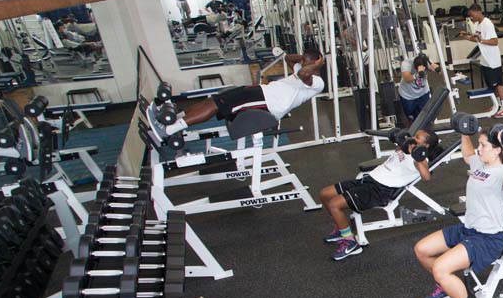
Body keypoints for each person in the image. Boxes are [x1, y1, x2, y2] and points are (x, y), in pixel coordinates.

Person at [413, 124, 503, 298]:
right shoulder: (480, 162)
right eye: (480, 144)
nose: (479, 149)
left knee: (441, 269)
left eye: (484, 145)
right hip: (468, 229)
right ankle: (447, 288)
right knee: (421, 249)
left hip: (487, 239)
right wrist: (464, 132)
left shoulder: (502, 172)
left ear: (497, 150)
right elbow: (468, 154)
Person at [318, 128, 440, 261]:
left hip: (379, 190)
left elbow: (426, 177)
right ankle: (341, 230)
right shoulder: (407, 147)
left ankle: (351, 243)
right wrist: (401, 142)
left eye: (417, 137)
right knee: (325, 194)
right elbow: (398, 152)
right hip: (369, 179)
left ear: (426, 145)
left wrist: (419, 157)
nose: (413, 138)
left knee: (334, 204)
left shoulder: (420, 159)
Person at [144, 51, 325, 140]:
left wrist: (316, 64)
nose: (302, 64)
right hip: (261, 91)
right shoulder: (301, 67)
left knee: (217, 105)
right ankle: (173, 119)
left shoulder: (317, 82)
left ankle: (168, 131)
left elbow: (304, 75)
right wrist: (303, 57)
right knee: (214, 100)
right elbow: (288, 59)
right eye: (303, 62)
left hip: (268, 103)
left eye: (307, 63)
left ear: (316, 66)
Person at [461, 4, 503, 118]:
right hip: (485, 59)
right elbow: (477, 38)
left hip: (493, 60)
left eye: (472, 15)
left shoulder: (487, 23)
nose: (471, 18)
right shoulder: (479, 24)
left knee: (499, 84)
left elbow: (494, 41)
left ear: (478, 12)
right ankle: (497, 105)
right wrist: (467, 36)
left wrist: (481, 40)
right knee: (491, 85)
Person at [398, 53, 438, 124]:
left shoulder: (427, 61)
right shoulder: (406, 63)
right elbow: (407, 79)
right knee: (412, 119)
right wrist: (418, 74)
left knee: (427, 116)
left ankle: (427, 132)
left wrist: (436, 68)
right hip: (408, 96)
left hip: (423, 93)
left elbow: (440, 72)